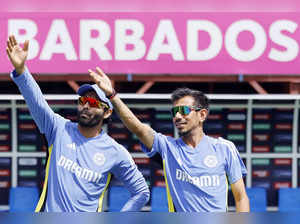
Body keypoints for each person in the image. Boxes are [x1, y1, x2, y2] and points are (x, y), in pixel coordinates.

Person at [6, 35, 149, 212]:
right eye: (83, 100)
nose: (87, 105)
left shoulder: (116, 152)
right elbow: (37, 101)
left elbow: (141, 192)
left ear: (107, 112)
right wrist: (21, 71)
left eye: (94, 103)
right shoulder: (58, 128)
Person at [88, 67, 250, 212]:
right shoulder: (167, 147)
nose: (178, 116)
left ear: (202, 115)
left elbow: (241, 197)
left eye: (184, 110)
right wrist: (112, 95)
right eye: (174, 112)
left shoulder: (225, 148)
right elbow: (138, 127)